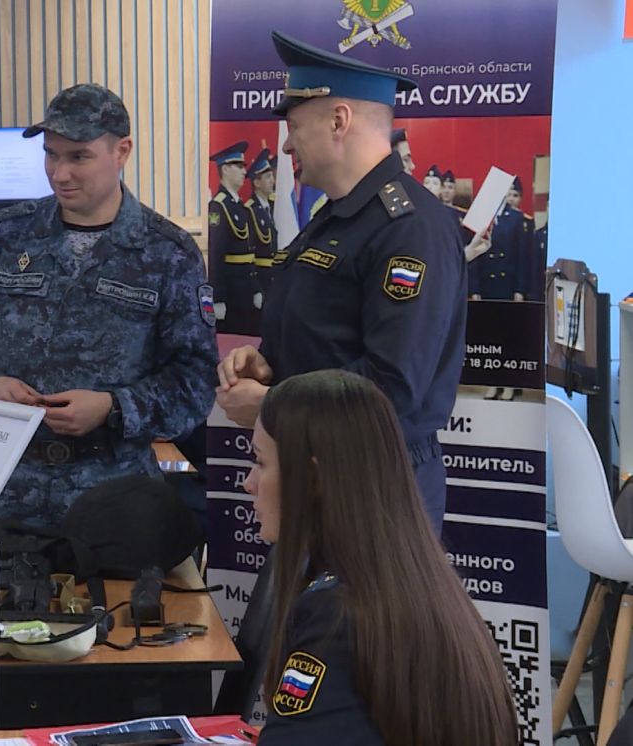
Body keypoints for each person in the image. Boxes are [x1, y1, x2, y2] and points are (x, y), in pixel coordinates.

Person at [0, 83, 217, 529]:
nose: (60, 173)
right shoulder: (10, 235)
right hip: (4, 494)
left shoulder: (168, 252)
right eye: (51, 155)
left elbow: (195, 380)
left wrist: (114, 406)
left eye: (78, 157)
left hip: (113, 500)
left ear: (122, 151)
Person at [216, 32, 467, 531]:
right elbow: (326, 342)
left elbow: (392, 388)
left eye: (294, 125)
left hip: (374, 483)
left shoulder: (410, 228)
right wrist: (267, 365)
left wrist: (274, 404)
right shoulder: (335, 217)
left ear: (338, 120)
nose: (286, 144)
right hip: (313, 464)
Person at [246, 370, 516, 745]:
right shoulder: (426, 584)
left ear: (313, 478)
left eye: (260, 463)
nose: (248, 483)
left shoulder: (334, 617)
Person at [207, 140, 260, 334]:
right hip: (231, 293)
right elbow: (216, 255)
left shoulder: (239, 206)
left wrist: (255, 287)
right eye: (239, 166)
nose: (244, 172)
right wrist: (218, 297)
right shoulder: (219, 206)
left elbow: (250, 253)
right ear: (225, 169)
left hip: (246, 290)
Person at [469, 176, 529, 302]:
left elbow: (522, 256)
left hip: (507, 283)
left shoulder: (516, 217)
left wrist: (520, 289)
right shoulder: (480, 215)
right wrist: (474, 289)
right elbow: (473, 256)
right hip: (485, 282)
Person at [246, 147, 279, 292]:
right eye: (268, 177)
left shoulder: (275, 206)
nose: (272, 181)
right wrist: (256, 288)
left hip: (277, 274)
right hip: (261, 276)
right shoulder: (250, 210)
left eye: (272, 176)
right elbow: (250, 251)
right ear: (257, 183)